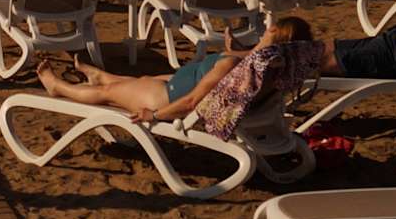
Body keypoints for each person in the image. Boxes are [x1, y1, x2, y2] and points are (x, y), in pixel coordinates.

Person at [35, 16, 327, 140]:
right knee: (136, 79)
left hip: (168, 98)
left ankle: (57, 86)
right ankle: (100, 75)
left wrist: (154, 115)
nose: (264, 30)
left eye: (268, 29)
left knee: (107, 94)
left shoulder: (232, 67)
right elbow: (252, 57)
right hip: (174, 84)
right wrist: (235, 49)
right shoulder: (273, 66)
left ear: (273, 33)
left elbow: (191, 103)